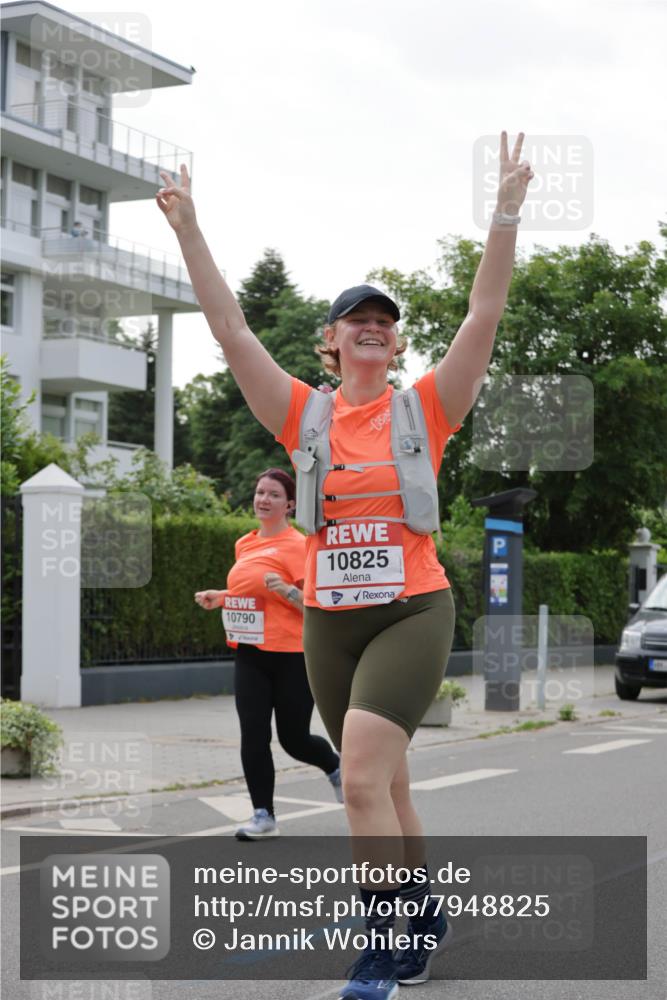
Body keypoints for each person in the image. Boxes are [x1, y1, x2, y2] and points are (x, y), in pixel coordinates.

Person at [158, 130, 534, 997]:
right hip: (328, 623)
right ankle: (423, 914)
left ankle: (377, 948)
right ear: (329, 340)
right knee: (387, 790)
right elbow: (229, 327)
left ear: (395, 347)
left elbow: (482, 314)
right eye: (357, 319)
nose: (373, 326)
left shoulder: (426, 407)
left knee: (358, 777)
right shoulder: (303, 416)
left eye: (385, 322)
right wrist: (188, 231)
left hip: (411, 610)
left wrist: (505, 213)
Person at [194, 467, 342, 841]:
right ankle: (264, 816)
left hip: (293, 655)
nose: (264, 499)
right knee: (253, 733)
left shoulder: (300, 545)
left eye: (274, 494)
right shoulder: (244, 544)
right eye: (260, 492)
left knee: (294, 740)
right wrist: (221, 597)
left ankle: (334, 766)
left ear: (289, 504)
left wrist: (288, 592)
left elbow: (318, 608)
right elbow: (250, 593)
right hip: (250, 653)